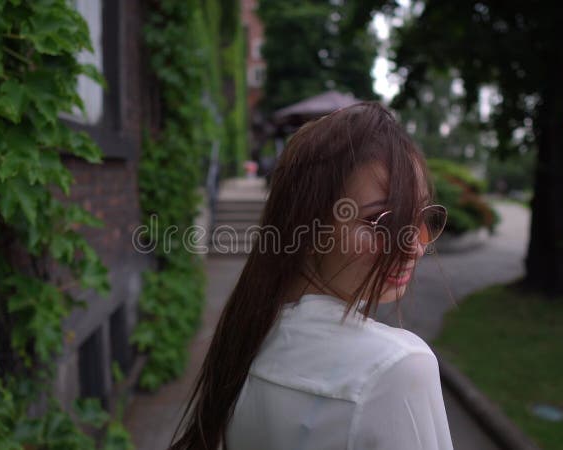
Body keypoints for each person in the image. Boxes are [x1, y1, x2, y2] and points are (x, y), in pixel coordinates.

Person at [171, 102, 454, 449]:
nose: (415, 247)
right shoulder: (396, 368)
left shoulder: (249, 335)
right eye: (382, 221)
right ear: (306, 227)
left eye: (421, 217)